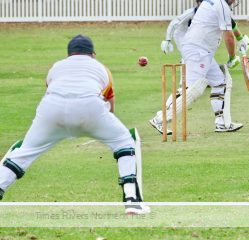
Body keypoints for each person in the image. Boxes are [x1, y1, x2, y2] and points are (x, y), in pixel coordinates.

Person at [0, 35, 149, 214]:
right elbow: (110, 103)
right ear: (93, 53)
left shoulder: (56, 66)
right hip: (89, 107)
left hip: (51, 109)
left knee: (24, 153)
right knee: (124, 141)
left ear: (69, 54)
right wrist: (105, 128)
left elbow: (51, 89)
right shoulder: (101, 67)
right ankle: (132, 200)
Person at [150, 0, 244, 134]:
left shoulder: (213, 3)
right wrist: (232, 57)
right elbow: (228, 36)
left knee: (221, 82)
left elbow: (231, 25)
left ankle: (222, 122)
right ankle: (160, 119)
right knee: (192, 89)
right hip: (198, 51)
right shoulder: (221, 5)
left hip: (202, 51)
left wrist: (241, 38)